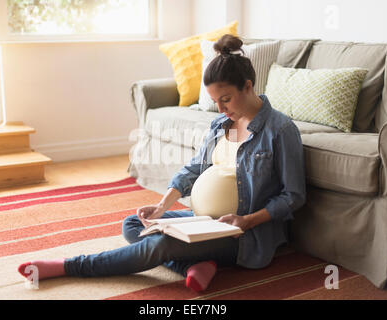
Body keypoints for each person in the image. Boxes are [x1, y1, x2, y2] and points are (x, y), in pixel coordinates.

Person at [18, 34, 306, 293]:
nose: (220, 109)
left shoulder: (280, 130)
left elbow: (293, 196)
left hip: (241, 232)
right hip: (204, 222)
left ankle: (70, 266)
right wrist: (162, 206)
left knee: (159, 244)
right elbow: (194, 168)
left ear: (247, 86)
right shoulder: (221, 124)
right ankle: (195, 264)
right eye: (215, 101)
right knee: (135, 223)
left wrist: (246, 220)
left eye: (226, 99)